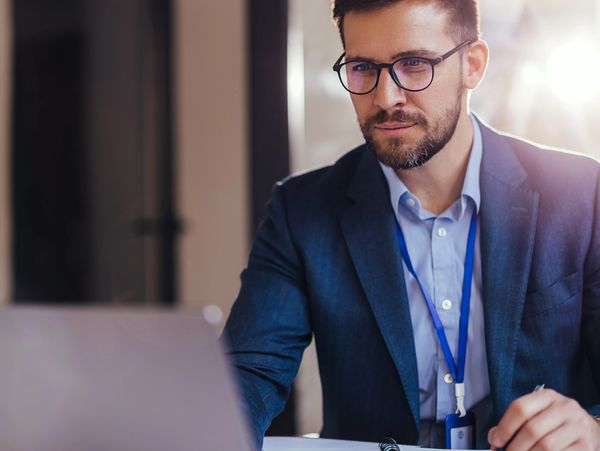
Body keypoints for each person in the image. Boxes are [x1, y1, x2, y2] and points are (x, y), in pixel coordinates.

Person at [224, 0, 600, 449]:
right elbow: (248, 374)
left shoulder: (582, 194)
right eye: (363, 68)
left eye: (414, 64)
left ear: (473, 65)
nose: (385, 98)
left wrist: (594, 429)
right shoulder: (301, 211)